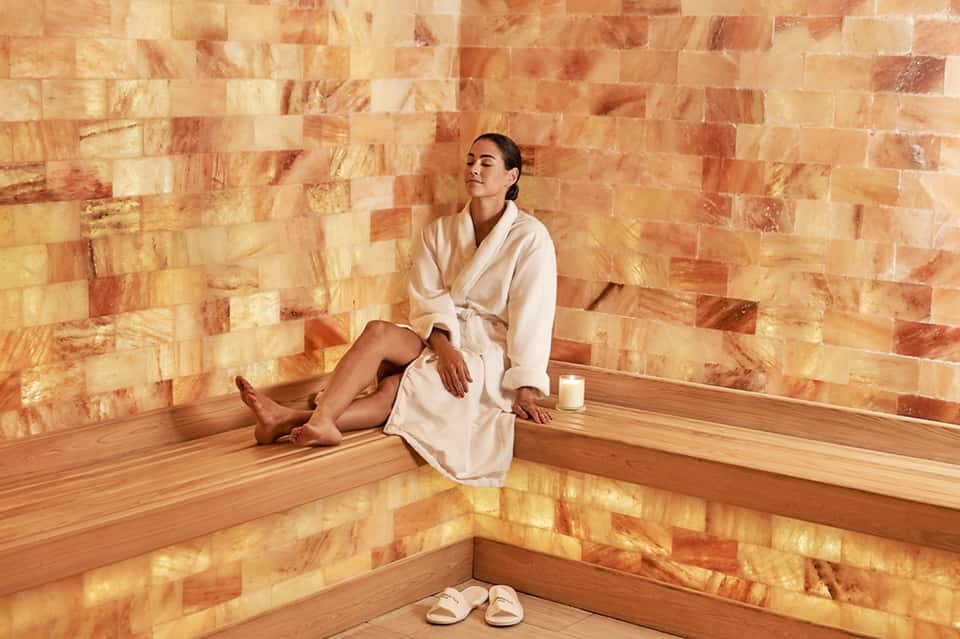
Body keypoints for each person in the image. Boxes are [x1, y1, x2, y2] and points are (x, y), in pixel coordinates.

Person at [235, 132, 557, 487]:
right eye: (470, 161)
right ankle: (320, 420)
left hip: (488, 353)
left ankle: (287, 420)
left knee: (396, 386)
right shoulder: (441, 231)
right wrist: (445, 347)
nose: (474, 170)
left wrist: (525, 386)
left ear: (511, 177)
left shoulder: (530, 237)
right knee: (378, 332)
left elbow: (533, 315)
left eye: (486, 163)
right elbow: (427, 297)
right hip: (442, 336)